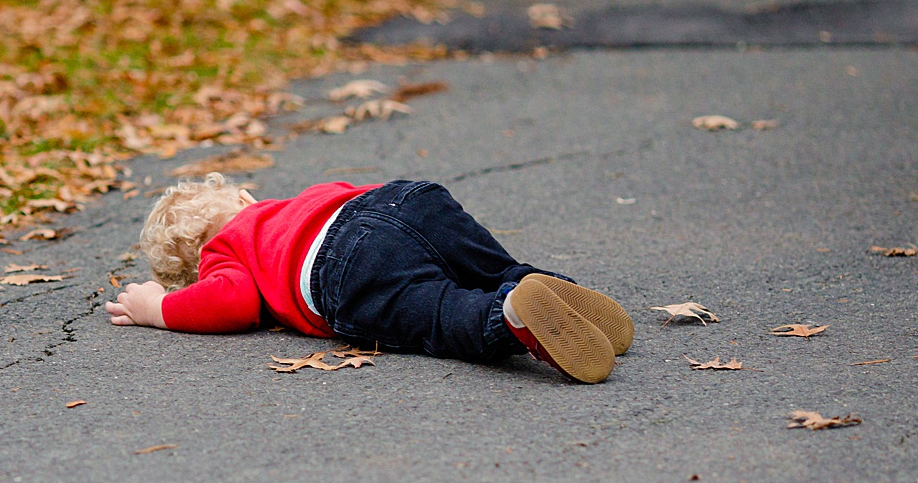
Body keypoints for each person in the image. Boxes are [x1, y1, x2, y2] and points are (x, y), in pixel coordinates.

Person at [105, 172, 633, 383]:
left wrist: (157, 308)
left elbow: (232, 301)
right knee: (482, 265)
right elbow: (354, 200)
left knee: (437, 309)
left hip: (345, 264)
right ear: (246, 197)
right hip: (397, 200)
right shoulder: (294, 201)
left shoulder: (224, 249)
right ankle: (535, 285)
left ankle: (511, 316)